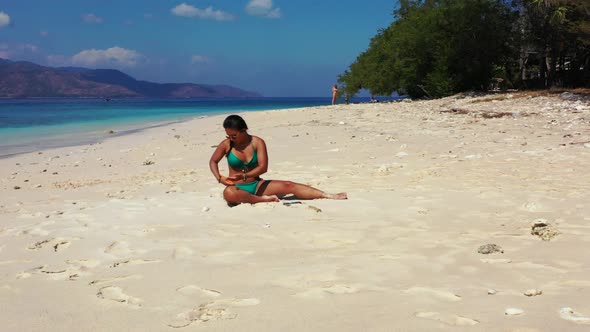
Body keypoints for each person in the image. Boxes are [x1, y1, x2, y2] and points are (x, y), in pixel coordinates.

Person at [209, 115, 348, 206]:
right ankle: (261, 200)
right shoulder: (226, 144)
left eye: (233, 135)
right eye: (228, 135)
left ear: (243, 130)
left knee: (288, 185)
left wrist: (245, 175)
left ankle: (327, 195)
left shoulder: (257, 142)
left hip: (256, 185)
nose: (230, 138)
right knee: (228, 193)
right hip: (236, 187)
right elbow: (213, 161)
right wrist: (219, 177)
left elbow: (263, 168)